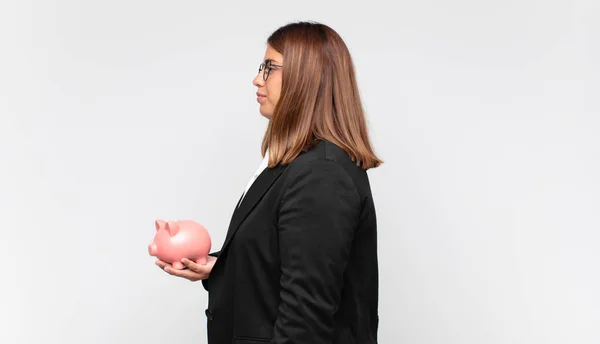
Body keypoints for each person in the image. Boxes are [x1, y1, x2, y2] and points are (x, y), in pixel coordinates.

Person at [155, 21, 383, 344]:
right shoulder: (298, 165)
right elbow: (283, 261)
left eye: (269, 68)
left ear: (306, 79)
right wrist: (219, 267)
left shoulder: (323, 175)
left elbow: (304, 323)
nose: (257, 79)